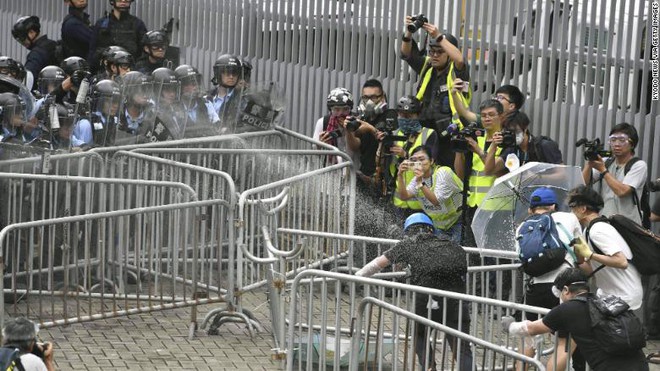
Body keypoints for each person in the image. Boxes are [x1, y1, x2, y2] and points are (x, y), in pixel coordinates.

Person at [356, 213, 473, 371]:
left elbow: (377, 265)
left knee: (420, 336)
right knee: (462, 348)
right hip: (457, 302)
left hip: (428, 301)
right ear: (431, 230)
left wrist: (357, 276)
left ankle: (429, 367)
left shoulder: (409, 244)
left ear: (409, 232)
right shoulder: (452, 244)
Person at [501, 268, 648, 371]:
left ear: (565, 290)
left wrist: (510, 325)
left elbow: (531, 328)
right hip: (640, 365)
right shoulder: (603, 301)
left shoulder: (568, 308)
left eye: (559, 293)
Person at [514, 187, 582, 371]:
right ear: (553, 206)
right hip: (562, 290)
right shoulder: (568, 218)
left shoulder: (522, 227)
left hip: (535, 289)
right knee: (564, 342)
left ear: (531, 209)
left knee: (529, 338)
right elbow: (580, 250)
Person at [400, 17, 470, 168]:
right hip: (425, 133)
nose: (435, 55)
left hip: (449, 135)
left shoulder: (457, 71)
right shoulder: (428, 66)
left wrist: (438, 36)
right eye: (432, 51)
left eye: (440, 52)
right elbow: (406, 53)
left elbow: (460, 59)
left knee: (447, 174)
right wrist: (408, 31)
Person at [567, 185, 643, 310]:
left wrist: (590, 255)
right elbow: (590, 271)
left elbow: (622, 262)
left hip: (624, 295)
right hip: (608, 293)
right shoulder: (588, 230)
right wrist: (579, 257)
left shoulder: (598, 230)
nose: (571, 213)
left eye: (572, 208)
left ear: (583, 208)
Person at [453, 99, 504, 245]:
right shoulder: (478, 140)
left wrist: (478, 150)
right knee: (473, 252)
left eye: (491, 115)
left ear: (500, 116)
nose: (487, 118)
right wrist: (459, 150)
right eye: (483, 115)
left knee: (491, 251)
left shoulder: (505, 141)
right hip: (473, 205)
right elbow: (460, 174)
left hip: (495, 207)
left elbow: (491, 170)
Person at [582, 123, 648, 226]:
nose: (616, 144)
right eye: (613, 140)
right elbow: (584, 183)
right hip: (606, 220)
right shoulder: (606, 162)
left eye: (622, 140)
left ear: (632, 144)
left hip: (629, 225)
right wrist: (589, 162)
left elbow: (622, 191)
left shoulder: (638, 165)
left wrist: (603, 170)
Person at [396, 146, 463, 242]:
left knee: (457, 255)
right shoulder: (417, 179)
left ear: (432, 161)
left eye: (422, 159)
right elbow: (404, 196)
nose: (418, 163)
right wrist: (400, 175)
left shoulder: (443, 172)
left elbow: (436, 201)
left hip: (457, 221)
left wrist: (420, 183)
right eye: (414, 160)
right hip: (439, 224)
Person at [389, 95, 439, 222]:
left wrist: (405, 155)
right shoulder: (393, 135)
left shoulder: (429, 134)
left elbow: (428, 165)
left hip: (421, 202)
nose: (405, 119)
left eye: (409, 116)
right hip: (399, 202)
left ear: (418, 115)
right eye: (402, 115)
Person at [484, 110, 563, 176]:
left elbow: (562, 175)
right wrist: (494, 145)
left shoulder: (543, 145)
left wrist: (537, 177)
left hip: (546, 193)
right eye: (508, 132)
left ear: (525, 129)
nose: (512, 135)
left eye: (515, 131)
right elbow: (489, 171)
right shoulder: (511, 150)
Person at [88, 0, 147, 73]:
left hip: (129, 72)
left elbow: (144, 51)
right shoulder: (101, 24)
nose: (123, 1)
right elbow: (92, 51)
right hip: (104, 73)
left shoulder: (137, 24)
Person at [312, 87, 361, 165]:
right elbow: (314, 149)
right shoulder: (323, 122)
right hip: (331, 169)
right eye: (336, 109)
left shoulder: (357, 121)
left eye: (345, 109)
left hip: (353, 169)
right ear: (330, 109)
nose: (340, 113)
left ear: (350, 109)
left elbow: (358, 146)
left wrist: (349, 129)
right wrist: (320, 144)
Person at [12, 16, 59, 91]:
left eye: (22, 38)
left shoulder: (37, 54)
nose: (22, 43)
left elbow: (28, 80)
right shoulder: (53, 44)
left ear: (32, 32)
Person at [174, 64, 219, 134]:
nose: (196, 87)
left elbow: (217, 124)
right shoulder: (174, 108)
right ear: (180, 86)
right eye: (190, 83)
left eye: (197, 82)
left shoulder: (206, 104)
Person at [206, 54, 243, 130]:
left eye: (235, 73)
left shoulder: (242, 98)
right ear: (218, 73)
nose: (231, 76)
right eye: (227, 73)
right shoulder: (206, 97)